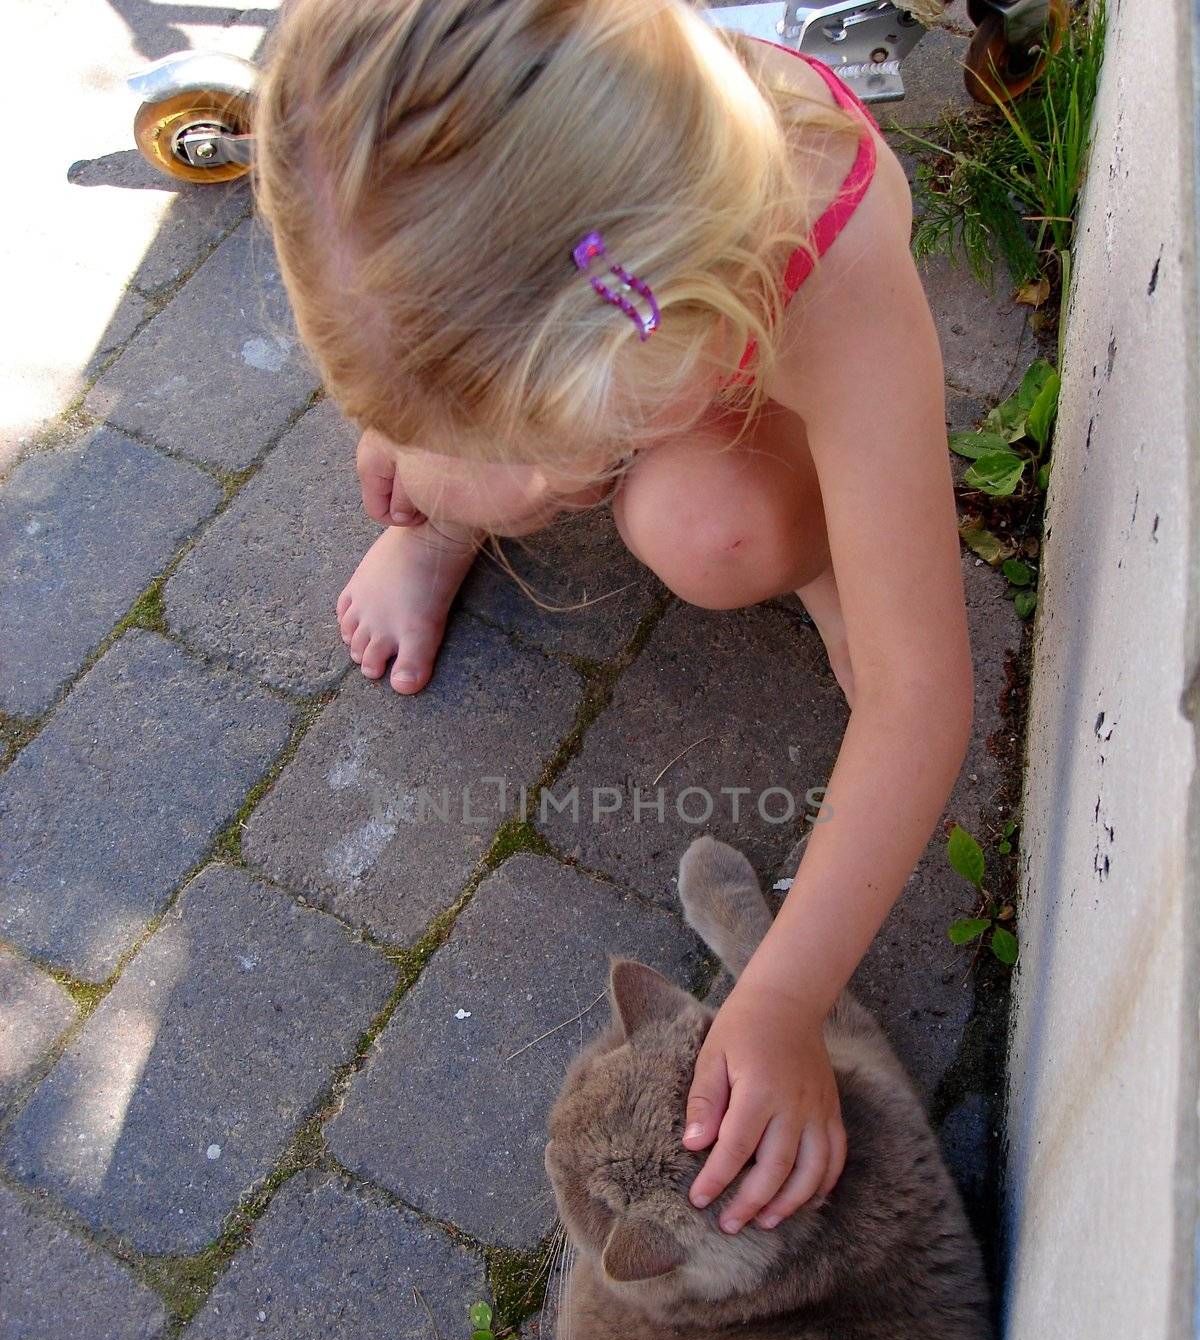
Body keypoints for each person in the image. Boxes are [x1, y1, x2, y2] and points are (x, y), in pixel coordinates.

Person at [254, 0, 973, 1234]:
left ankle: (810, 549)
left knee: (713, 533)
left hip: (744, 353)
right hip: (626, 319)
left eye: (563, 430)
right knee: (463, 443)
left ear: (663, 318)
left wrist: (787, 998)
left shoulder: (837, 277)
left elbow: (922, 697)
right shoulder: (523, 138)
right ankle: (442, 518)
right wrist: (422, 430)